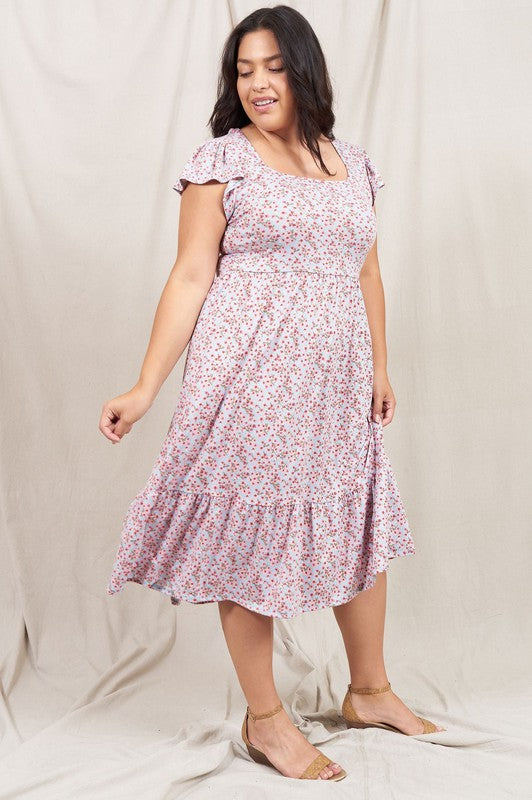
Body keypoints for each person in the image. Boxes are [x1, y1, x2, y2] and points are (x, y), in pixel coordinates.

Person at [99, 4, 445, 783]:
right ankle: (266, 720)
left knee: (354, 522)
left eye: (272, 67)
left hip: (336, 382)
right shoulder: (224, 161)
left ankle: (369, 689)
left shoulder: (352, 163)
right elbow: (191, 275)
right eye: (243, 70)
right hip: (249, 376)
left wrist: (380, 366)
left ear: (304, 69)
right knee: (252, 537)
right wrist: (147, 385)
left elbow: (366, 270)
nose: (256, 83)